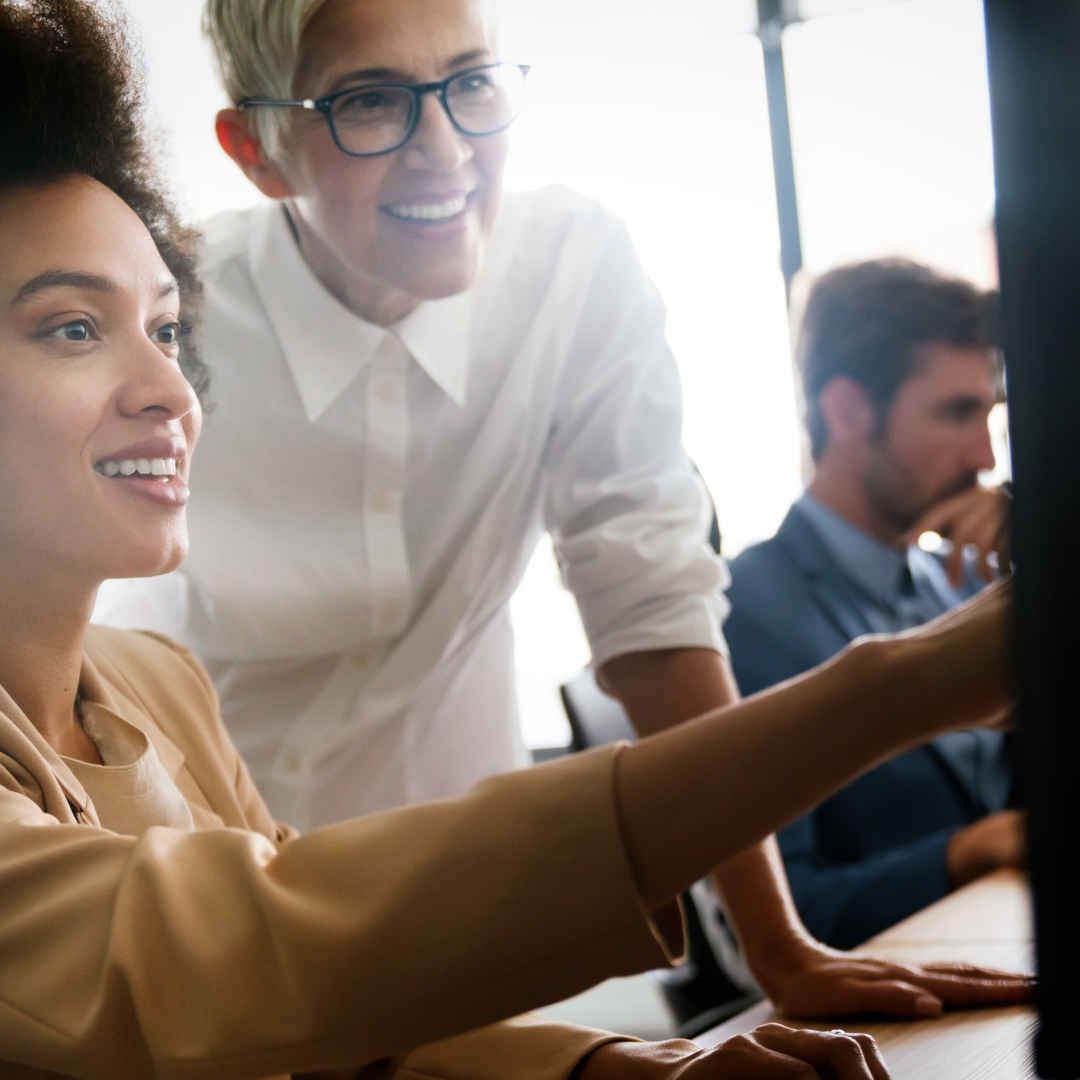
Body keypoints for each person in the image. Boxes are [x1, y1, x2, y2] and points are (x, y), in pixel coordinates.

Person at [0, 4, 1031, 1077]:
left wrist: (627, 1067)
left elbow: (339, 1019)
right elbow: (242, 950)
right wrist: (902, 685)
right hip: (336, 931)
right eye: (74, 327)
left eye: (167, 330)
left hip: (413, 953)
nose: (172, 388)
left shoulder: (154, 691)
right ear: (258, 148)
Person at [720, 260, 1022, 950]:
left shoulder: (959, 582)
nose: (983, 454)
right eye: (955, 413)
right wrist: (970, 848)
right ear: (850, 411)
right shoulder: (748, 612)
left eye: (991, 415)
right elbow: (784, 916)